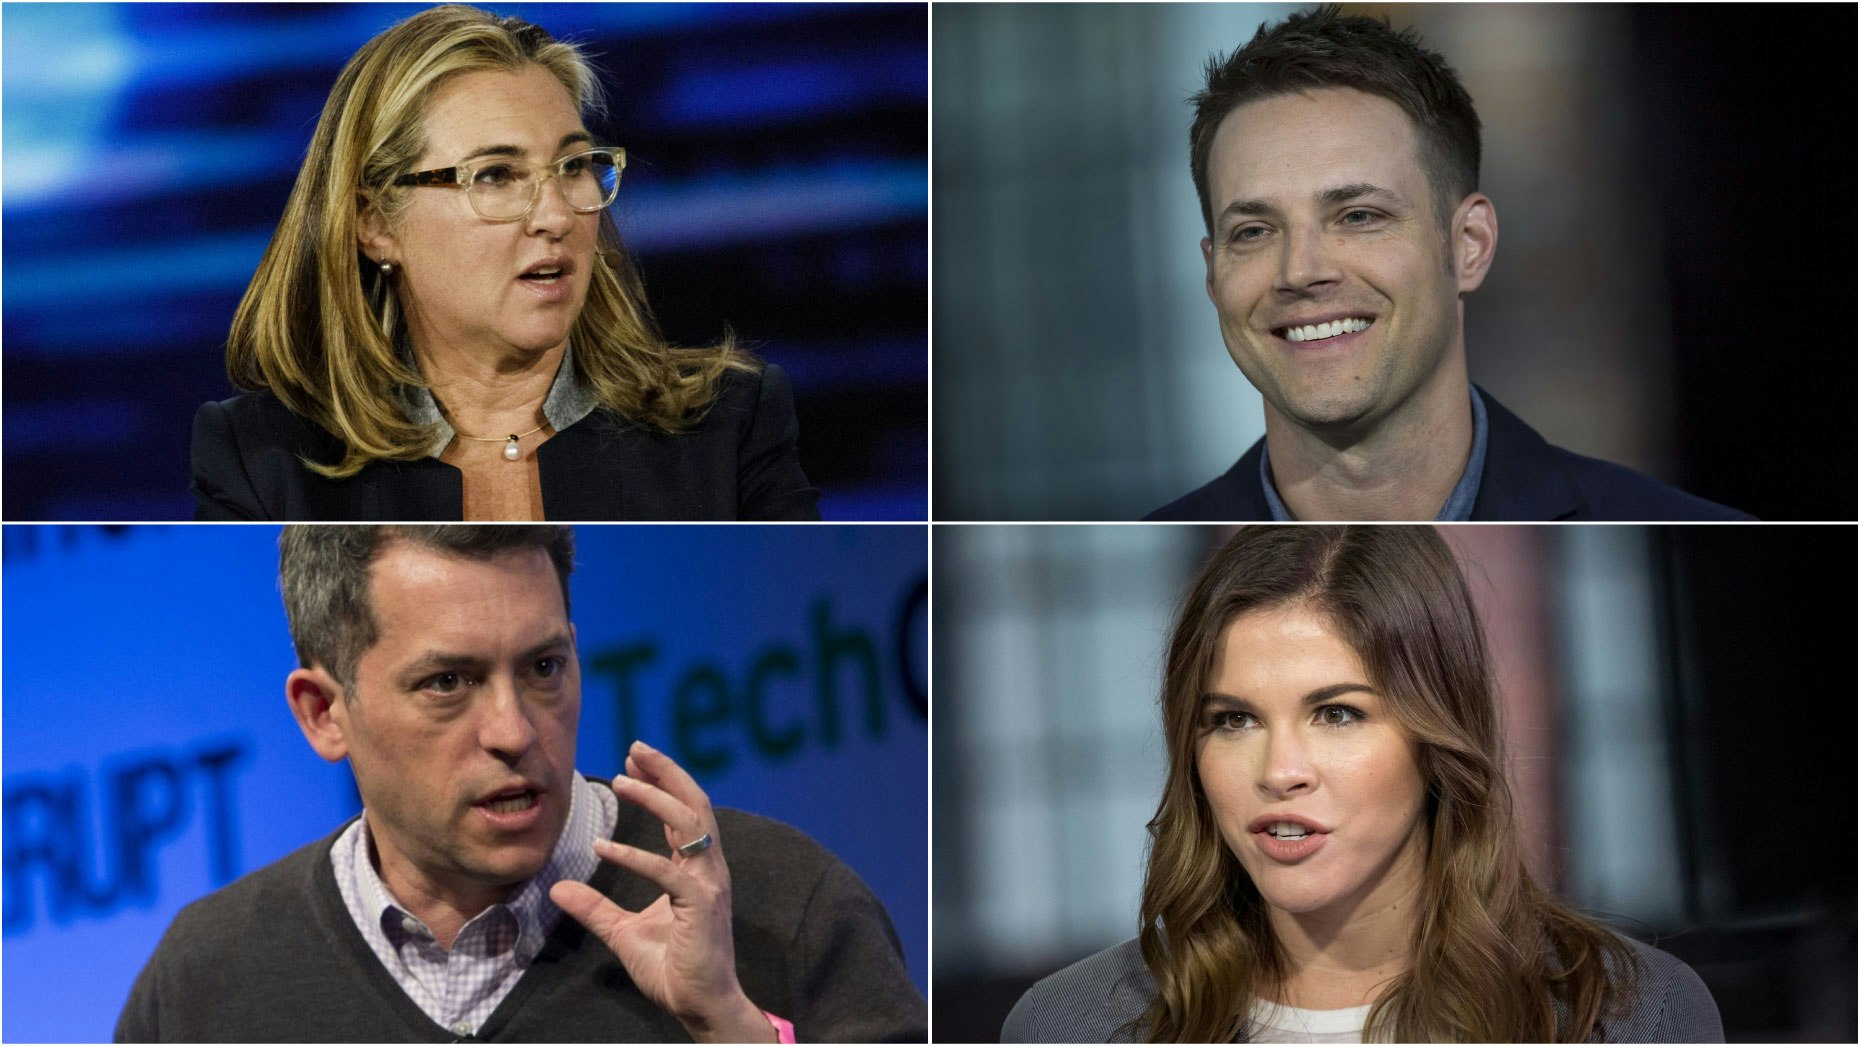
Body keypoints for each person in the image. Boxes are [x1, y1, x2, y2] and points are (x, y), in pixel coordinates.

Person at [116, 525, 922, 1042]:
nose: (514, 730)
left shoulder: (784, 911)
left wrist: (730, 1027)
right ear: (324, 712)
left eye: (543, 668)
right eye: (447, 683)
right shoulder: (207, 983)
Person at [1003, 526, 1723, 1043]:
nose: (1281, 771)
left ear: (1435, 737)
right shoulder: (1072, 1025)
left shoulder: (1626, 1013)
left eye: (1337, 713)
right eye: (1233, 721)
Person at [189, 6, 819, 521]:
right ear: (375, 224)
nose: (555, 216)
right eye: (496, 175)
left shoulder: (730, 426)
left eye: (573, 166)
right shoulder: (264, 463)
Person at [1146, 6, 1748, 522]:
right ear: (1212, 273)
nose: (1299, 271)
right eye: (1253, 231)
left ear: (1469, 246)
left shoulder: (1675, 524)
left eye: (1358, 216)